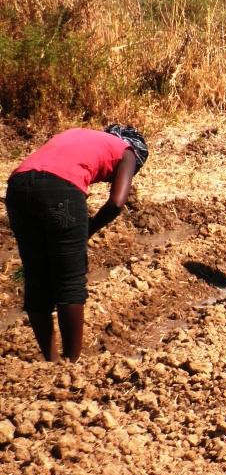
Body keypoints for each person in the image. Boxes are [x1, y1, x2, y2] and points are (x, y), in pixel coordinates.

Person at [4, 125, 149, 361]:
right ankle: (71, 363)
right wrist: (89, 229)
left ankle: (50, 361)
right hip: (60, 191)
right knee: (69, 280)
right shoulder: (129, 150)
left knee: (37, 276)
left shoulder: (81, 134)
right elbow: (116, 203)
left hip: (18, 187)